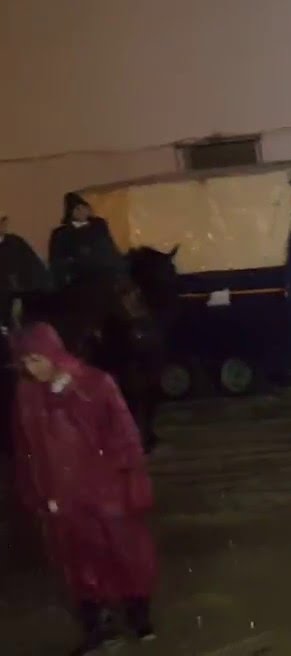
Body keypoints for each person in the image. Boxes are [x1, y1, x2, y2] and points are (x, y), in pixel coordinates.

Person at [8, 323, 158, 654]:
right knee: (77, 563)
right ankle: (97, 628)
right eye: (26, 362)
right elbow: (26, 448)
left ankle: (138, 616)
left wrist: (132, 485)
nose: (33, 368)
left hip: (105, 490)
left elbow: (125, 437)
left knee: (124, 554)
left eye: (37, 359)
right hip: (62, 495)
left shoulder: (95, 384)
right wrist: (33, 490)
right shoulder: (27, 395)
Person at [48, 193, 124, 289]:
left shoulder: (99, 225)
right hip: (80, 280)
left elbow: (110, 248)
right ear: (70, 213)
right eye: (76, 209)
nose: (81, 212)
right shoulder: (61, 234)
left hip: (105, 276)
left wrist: (120, 268)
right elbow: (56, 263)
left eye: (83, 207)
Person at [0, 214, 51, 328]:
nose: (2, 225)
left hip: (17, 297)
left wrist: (20, 292)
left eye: (3, 221)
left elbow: (33, 266)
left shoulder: (16, 242)